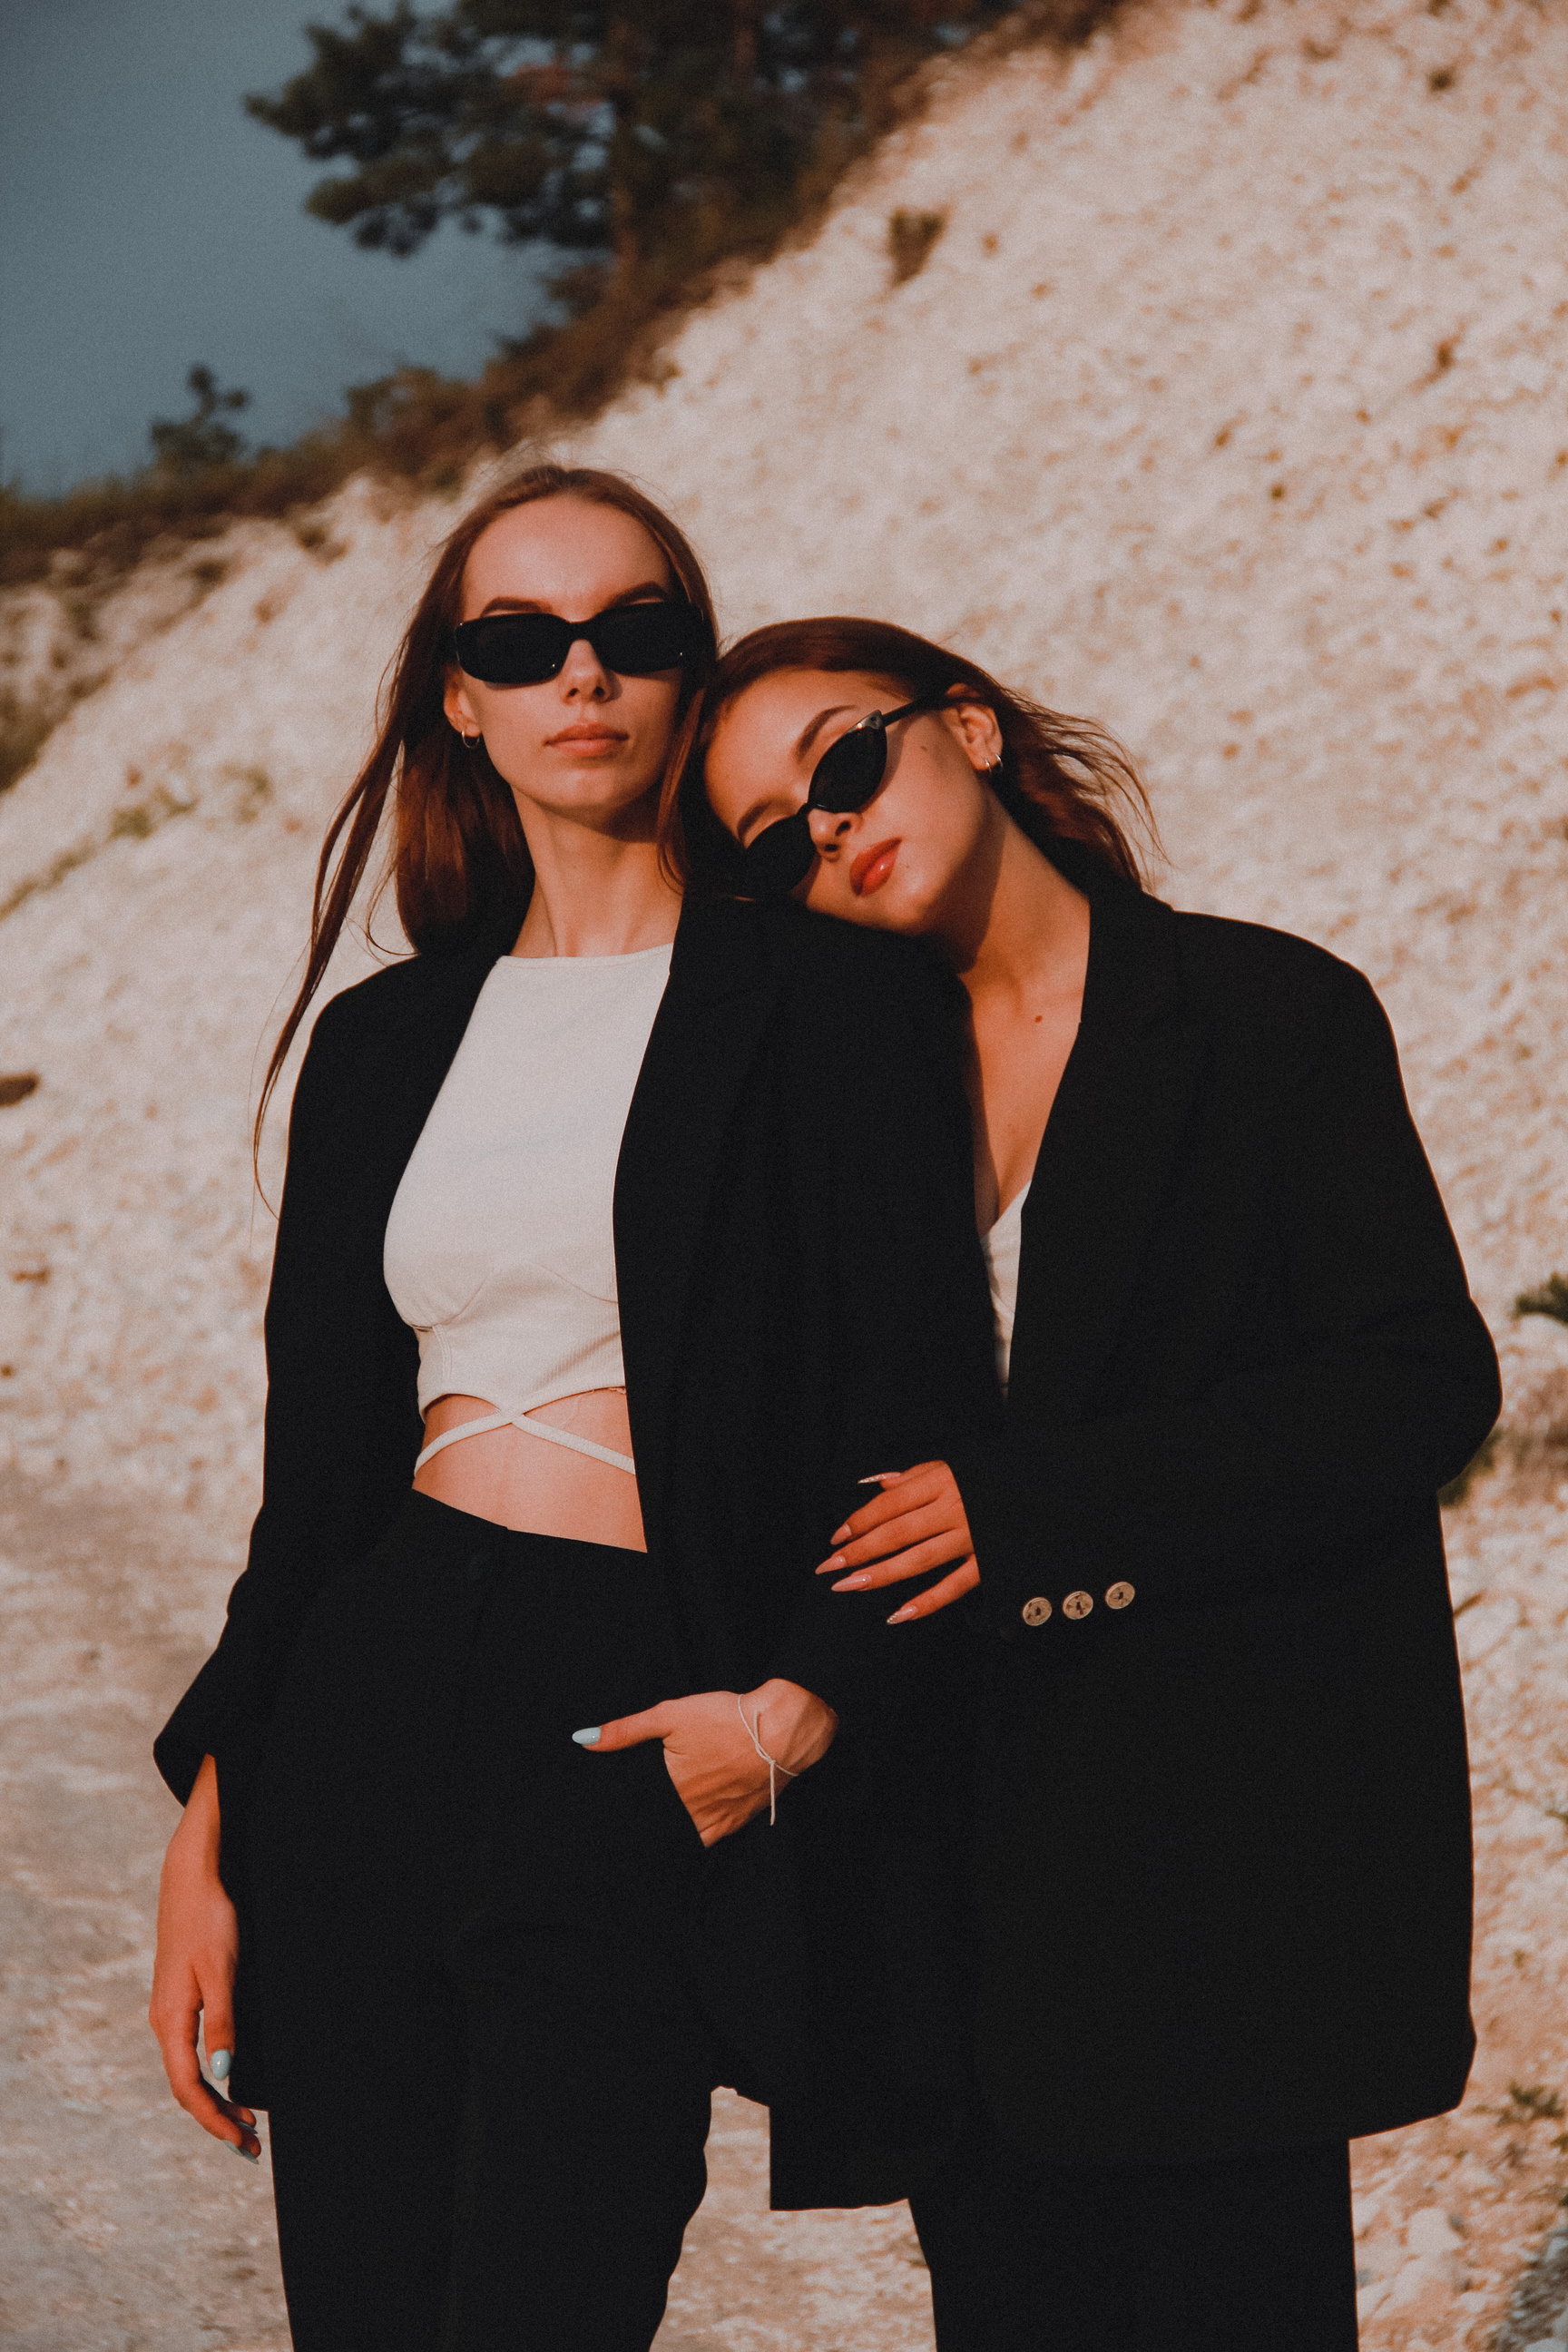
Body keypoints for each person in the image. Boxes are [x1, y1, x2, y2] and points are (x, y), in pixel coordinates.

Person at [148, 489, 1001, 2352]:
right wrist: (213, 1821)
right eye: (517, 643)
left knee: (550, 2301)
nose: (580, 674)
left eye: (629, 630)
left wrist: (789, 1717)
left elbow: (922, 1410)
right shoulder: (386, 1044)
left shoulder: (834, 1005)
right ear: (459, 700)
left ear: (690, 668)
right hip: (366, 1709)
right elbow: (317, 1489)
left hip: (633, 1708)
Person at [683, 614, 1502, 2352]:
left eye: (842, 762)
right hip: (956, 1879)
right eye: (770, 837)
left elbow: (1417, 1383)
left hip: (1231, 1848)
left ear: (967, 728)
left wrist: (1042, 1507)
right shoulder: (840, 1105)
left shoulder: (1263, 1010)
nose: (824, 827)